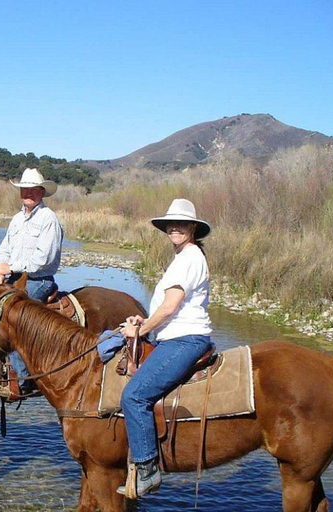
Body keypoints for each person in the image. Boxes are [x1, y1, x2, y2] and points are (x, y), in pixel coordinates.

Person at [97, 198, 213, 497]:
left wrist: (141, 329)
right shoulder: (183, 257)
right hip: (173, 335)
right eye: (170, 224)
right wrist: (145, 320)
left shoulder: (189, 257)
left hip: (185, 339)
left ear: (193, 228)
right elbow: (168, 307)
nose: (174, 228)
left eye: (181, 224)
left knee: (134, 396)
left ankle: (147, 469)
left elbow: (172, 306)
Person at [0, 167, 64, 395]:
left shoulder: (48, 219)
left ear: (42, 192)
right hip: (14, 277)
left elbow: (43, 259)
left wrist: (11, 267)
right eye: (25, 190)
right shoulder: (16, 219)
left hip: (38, 279)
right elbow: (5, 248)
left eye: (33, 190)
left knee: (13, 315)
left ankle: (24, 379)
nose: (28, 193)